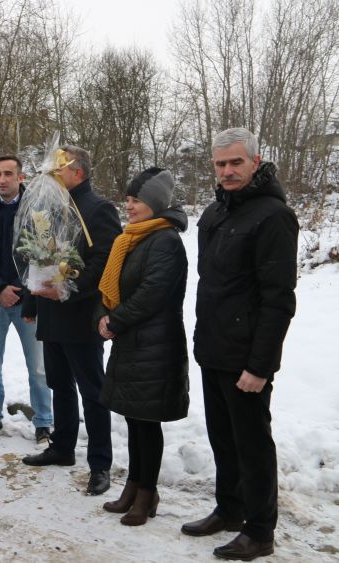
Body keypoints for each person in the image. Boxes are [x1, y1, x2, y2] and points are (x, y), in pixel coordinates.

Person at [182, 128, 297, 561]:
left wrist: (261, 365)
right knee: (222, 439)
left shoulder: (273, 216)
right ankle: (229, 509)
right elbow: (212, 285)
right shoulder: (214, 212)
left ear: (255, 161)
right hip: (214, 348)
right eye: (220, 164)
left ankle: (260, 529)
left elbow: (278, 299)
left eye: (236, 163)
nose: (227, 171)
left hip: (247, 357)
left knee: (252, 444)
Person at [21, 144, 121, 497]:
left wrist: (66, 289)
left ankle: (100, 464)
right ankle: (62, 448)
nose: (50, 174)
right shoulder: (49, 208)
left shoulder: (99, 209)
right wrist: (33, 297)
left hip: (81, 316)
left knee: (92, 393)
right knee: (59, 386)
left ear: (77, 171)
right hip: (51, 315)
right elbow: (39, 255)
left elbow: (104, 264)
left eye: (57, 168)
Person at [95, 167, 190, 525]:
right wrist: (102, 315)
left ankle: (147, 493)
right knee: (134, 419)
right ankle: (134, 486)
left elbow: (153, 293)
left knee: (147, 423)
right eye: (129, 199)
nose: (129, 206)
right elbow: (112, 284)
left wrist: (115, 320)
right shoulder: (131, 238)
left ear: (154, 203)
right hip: (132, 342)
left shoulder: (165, 240)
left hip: (156, 344)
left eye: (135, 200)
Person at [0, 155, 53, 443]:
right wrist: (0, 287)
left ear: (20, 177)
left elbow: (45, 253)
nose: (1, 179)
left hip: (30, 301)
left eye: (8, 174)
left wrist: (23, 290)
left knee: (39, 368)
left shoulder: (37, 208)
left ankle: (43, 422)